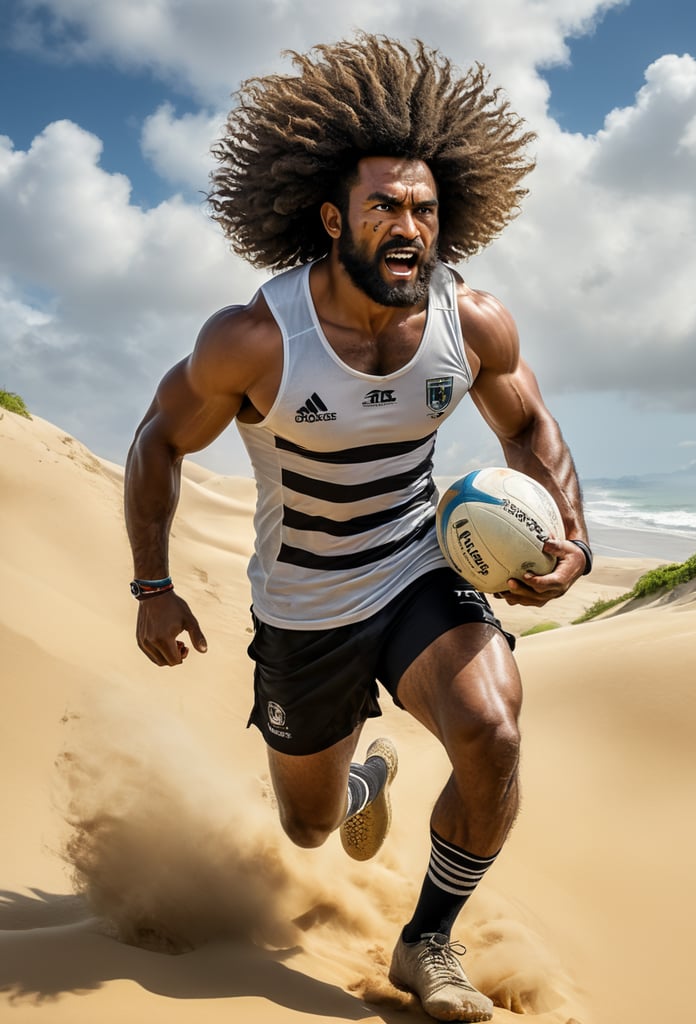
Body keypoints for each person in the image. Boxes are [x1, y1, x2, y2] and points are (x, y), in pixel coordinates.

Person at [124, 33, 591, 1024]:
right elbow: (159, 442)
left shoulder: (472, 322)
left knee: (493, 731)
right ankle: (360, 777)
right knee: (304, 827)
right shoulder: (257, 338)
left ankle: (428, 941)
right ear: (335, 217)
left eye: (424, 207)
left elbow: (531, 426)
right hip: (303, 604)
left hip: (419, 567)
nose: (408, 224)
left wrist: (576, 539)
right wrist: (153, 586)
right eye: (385, 204)